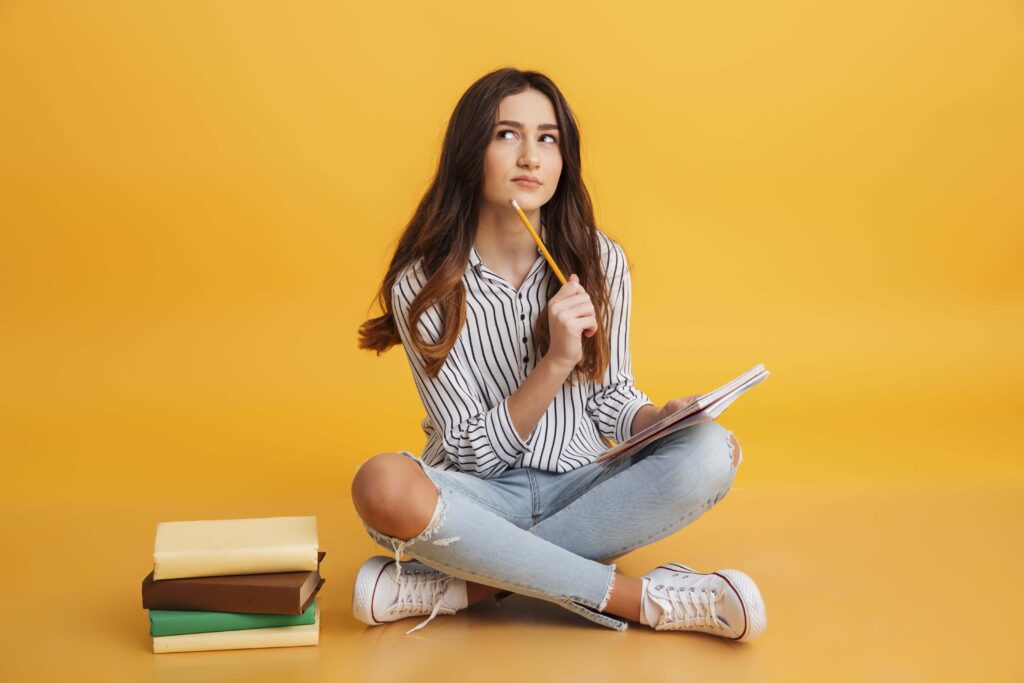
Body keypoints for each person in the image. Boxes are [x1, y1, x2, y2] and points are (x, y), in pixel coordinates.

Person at [350, 67, 766, 640]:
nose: (531, 157)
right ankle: (639, 600)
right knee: (381, 485)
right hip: (479, 500)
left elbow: (612, 400)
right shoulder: (423, 287)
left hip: (584, 486)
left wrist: (658, 421)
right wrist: (554, 364)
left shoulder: (600, 261)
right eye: (507, 135)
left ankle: (470, 584)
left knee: (713, 451)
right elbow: (472, 454)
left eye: (548, 139)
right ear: (471, 152)